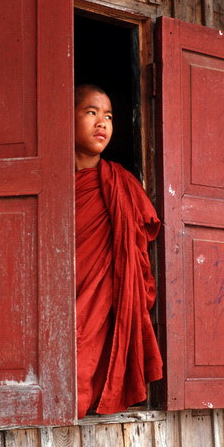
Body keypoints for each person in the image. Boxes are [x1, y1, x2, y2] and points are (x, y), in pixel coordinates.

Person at [75, 83, 163, 418]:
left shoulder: (120, 182)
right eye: (91, 112)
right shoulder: (50, 183)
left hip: (107, 295)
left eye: (108, 116)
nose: (102, 123)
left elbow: (138, 242)